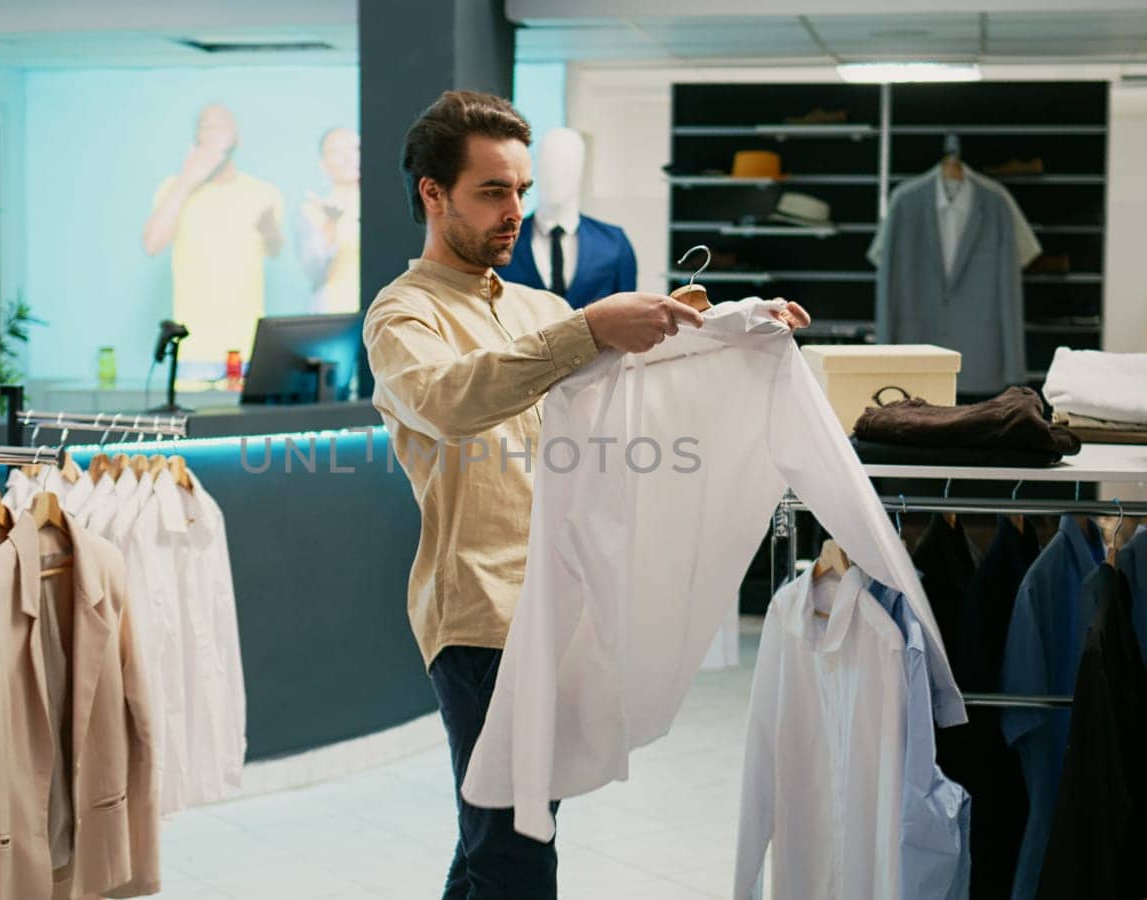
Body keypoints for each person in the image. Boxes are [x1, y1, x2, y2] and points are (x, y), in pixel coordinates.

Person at [363, 90, 808, 899]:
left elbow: (624, 388)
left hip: (561, 601)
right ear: (433, 192)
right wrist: (590, 329)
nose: (515, 213)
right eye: (493, 192)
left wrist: (738, 331)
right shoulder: (403, 315)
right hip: (482, 614)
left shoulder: (539, 307)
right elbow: (450, 401)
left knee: (497, 839)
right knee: (516, 844)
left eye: (521, 192)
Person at [143, 103, 285, 368]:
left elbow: (276, 250)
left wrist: (268, 229)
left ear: (237, 137)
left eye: (221, 126)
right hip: (192, 347)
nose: (213, 133)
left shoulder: (263, 192)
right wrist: (187, 181)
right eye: (205, 126)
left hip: (246, 346)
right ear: (197, 138)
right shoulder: (173, 188)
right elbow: (152, 245)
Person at [298, 126, 361, 314]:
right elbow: (314, 272)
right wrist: (330, 225)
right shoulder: (311, 209)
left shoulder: (384, 200)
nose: (347, 157)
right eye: (336, 151)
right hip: (334, 314)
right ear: (323, 163)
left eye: (354, 148)